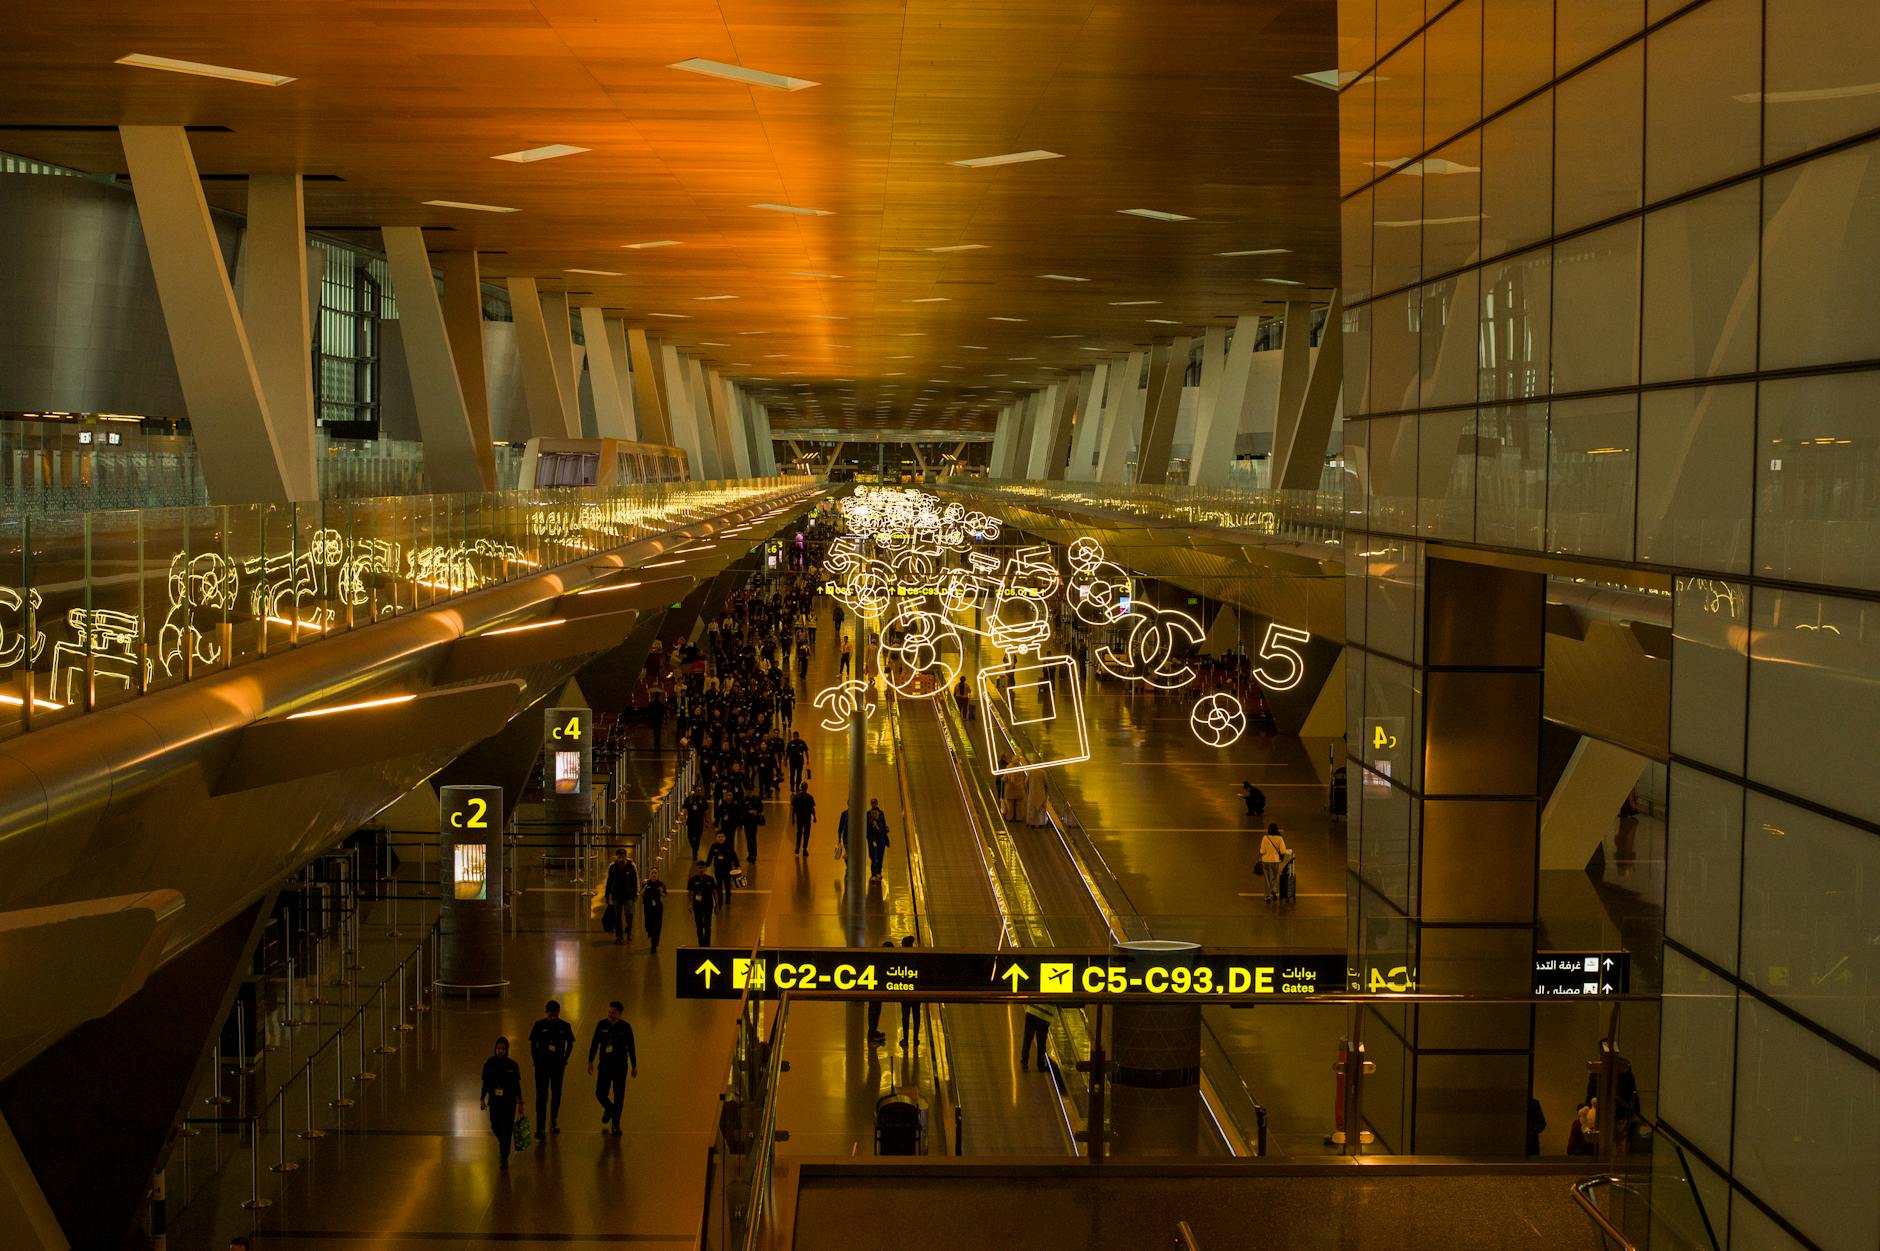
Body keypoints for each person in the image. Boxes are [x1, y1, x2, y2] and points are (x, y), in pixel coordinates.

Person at [587, 1002, 637, 1137]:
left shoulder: (626, 1027)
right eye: (609, 1012)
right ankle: (610, 1109)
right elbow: (594, 1043)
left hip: (620, 1067)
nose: (610, 1015)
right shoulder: (601, 1025)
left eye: (613, 1012)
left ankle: (616, 1124)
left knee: (619, 1096)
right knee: (600, 1093)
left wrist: (634, 1065)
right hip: (605, 1065)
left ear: (620, 1013)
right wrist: (590, 1061)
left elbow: (631, 1046)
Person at [528, 1001, 575, 1135]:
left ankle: (553, 1121)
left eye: (555, 1013)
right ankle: (540, 1127)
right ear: (546, 1012)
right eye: (550, 1013)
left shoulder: (565, 1026)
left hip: (558, 1067)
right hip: (542, 1066)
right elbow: (533, 1044)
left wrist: (565, 1059)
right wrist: (536, 1060)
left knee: (556, 1094)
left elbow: (570, 1042)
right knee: (541, 1097)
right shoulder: (539, 1025)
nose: (552, 1016)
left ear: (558, 1013)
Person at [479, 1036, 524, 1167]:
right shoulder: (489, 1064)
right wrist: (482, 1099)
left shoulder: (513, 1065)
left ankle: (504, 1156)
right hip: (494, 1102)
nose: (500, 1051)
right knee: (495, 1125)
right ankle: (504, 1142)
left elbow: (517, 1086)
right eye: (498, 1048)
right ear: (495, 1049)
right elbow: (485, 1084)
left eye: (503, 1049)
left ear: (507, 1050)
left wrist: (520, 1102)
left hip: (509, 1102)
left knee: (507, 1128)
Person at [604, 848, 639, 945]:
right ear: (617, 856)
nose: (621, 857)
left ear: (625, 856)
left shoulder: (631, 866)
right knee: (617, 917)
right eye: (619, 855)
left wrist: (636, 893)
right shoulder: (612, 867)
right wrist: (607, 896)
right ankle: (619, 936)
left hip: (628, 895)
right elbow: (609, 882)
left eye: (623, 855)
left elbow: (635, 880)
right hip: (616, 896)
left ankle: (628, 930)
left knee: (629, 915)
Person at [867, 939, 893, 1046]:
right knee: (874, 1012)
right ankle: (871, 1034)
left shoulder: (877, 958)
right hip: (876, 990)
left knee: (875, 1011)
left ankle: (873, 1032)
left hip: (874, 989)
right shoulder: (881, 962)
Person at [897, 934, 921, 1054]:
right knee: (916, 1016)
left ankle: (905, 1039)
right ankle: (915, 1039)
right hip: (916, 992)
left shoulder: (901, 959)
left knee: (905, 1016)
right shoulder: (916, 957)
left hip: (905, 991)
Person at [706, 831, 741, 910]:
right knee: (719, 885)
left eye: (722, 837)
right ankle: (720, 900)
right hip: (718, 870)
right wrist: (706, 866)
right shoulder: (714, 847)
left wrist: (737, 866)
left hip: (728, 869)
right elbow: (710, 857)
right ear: (716, 838)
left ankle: (728, 898)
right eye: (718, 837)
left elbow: (734, 856)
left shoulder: (729, 846)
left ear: (725, 837)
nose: (720, 838)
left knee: (727, 884)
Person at [1020, 1002, 1057, 1073]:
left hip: (1031, 1010)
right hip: (1044, 1015)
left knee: (1027, 1038)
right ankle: (1041, 1065)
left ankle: (1024, 1062)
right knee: (1041, 1042)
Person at [1257, 823, 1289, 903]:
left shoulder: (1265, 838)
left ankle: (1268, 895)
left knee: (1267, 879)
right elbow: (1282, 851)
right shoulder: (1279, 838)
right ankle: (1274, 890)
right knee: (1274, 877)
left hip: (1266, 861)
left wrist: (1260, 853)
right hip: (1275, 861)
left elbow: (1262, 851)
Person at [687, 862, 717, 944]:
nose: (701, 870)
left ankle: (707, 944)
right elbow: (690, 893)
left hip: (708, 905)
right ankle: (701, 944)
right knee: (699, 926)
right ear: (697, 869)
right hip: (697, 906)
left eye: (703, 868)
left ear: (706, 869)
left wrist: (716, 906)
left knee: (708, 926)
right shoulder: (692, 880)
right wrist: (690, 904)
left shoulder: (710, 879)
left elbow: (714, 892)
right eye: (699, 868)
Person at [641, 867, 667, 953]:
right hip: (648, 908)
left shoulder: (661, 884)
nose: (654, 875)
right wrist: (645, 887)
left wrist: (661, 891)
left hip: (658, 908)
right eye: (652, 873)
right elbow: (640, 894)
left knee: (657, 926)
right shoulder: (646, 883)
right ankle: (651, 935)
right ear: (650, 874)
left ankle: (654, 944)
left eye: (655, 873)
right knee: (648, 925)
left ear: (658, 875)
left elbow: (664, 895)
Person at [864, 798, 890, 881]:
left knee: (880, 856)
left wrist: (885, 829)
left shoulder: (881, 813)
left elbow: (884, 824)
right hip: (872, 839)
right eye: (873, 803)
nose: (874, 805)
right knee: (873, 856)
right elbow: (865, 825)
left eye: (875, 803)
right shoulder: (868, 814)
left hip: (881, 838)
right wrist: (872, 820)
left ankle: (879, 872)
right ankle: (873, 874)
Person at [791, 783, 817, 855]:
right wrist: (814, 817)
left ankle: (798, 845)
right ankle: (804, 849)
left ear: (801, 787)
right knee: (806, 833)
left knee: (799, 832)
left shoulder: (796, 797)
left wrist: (793, 818)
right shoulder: (810, 797)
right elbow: (812, 808)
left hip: (799, 817)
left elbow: (794, 808)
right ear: (806, 788)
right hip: (807, 818)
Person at [683, 791, 709, 859]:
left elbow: (706, 810)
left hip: (699, 822)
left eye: (699, 791)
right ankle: (694, 848)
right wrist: (683, 818)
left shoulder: (703, 799)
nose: (698, 792)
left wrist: (706, 820)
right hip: (691, 821)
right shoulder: (689, 799)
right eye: (697, 790)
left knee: (698, 838)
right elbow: (685, 809)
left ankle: (694, 853)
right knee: (690, 837)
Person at [740, 791, 762, 862]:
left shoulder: (756, 799)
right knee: (748, 839)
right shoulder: (743, 800)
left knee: (753, 838)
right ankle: (750, 853)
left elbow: (761, 808)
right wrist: (749, 812)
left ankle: (754, 854)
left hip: (754, 822)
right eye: (747, 791)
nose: (749, 793)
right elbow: (742, 810)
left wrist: (756, 811)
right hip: (747, 822)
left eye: (750, 791)